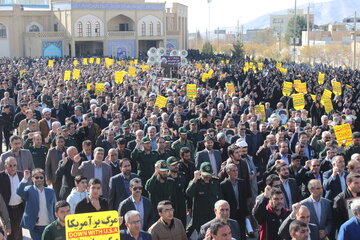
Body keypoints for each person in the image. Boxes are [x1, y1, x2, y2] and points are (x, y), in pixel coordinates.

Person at [16, 168, 57, 240]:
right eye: (36, 177)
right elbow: (19, 191)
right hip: (34, 226)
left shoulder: (50, 191)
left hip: (48, 225)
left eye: (41, 177)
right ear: (32, 179)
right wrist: (25, 178)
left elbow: (55, 207)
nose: (39, 179)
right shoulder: (29, 190)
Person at [186, 162, 223, 237]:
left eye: (209, 174)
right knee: (201, 236)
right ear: (200, 172)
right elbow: (188, 194)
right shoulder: (196, 182)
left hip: (212, 215)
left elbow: (221, 197)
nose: (207, 176)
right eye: (205, 174)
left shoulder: (215, 182)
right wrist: (195, 179)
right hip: (199, 216)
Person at [220, 163, 249, 239]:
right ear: (228, 172)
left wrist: (247, 212)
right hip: (231, 214)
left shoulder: (242, 183)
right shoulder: (223, 185)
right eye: (233, 171)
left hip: (241, 212)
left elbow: (244, 199)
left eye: (236, 170)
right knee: (232, 233)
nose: (236, 172)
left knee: (242, 233)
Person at [0, 157, 24, 240]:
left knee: (19, 231)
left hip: (20, 208)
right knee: (9, 232)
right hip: (7, 209)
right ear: (5, 166)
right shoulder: (1, 176)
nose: (13, 168)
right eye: (10, 166)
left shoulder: (21, 175)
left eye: (14, 165)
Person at [45, 135, 67, 199]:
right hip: (55, 177)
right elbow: (47, 165)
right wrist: (48, 178)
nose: (60, 143)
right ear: (56, 142)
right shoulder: (51, 151)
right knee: (56, 195)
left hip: (65, 177)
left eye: (62, 142)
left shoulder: (67, 150)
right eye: (59, 142)